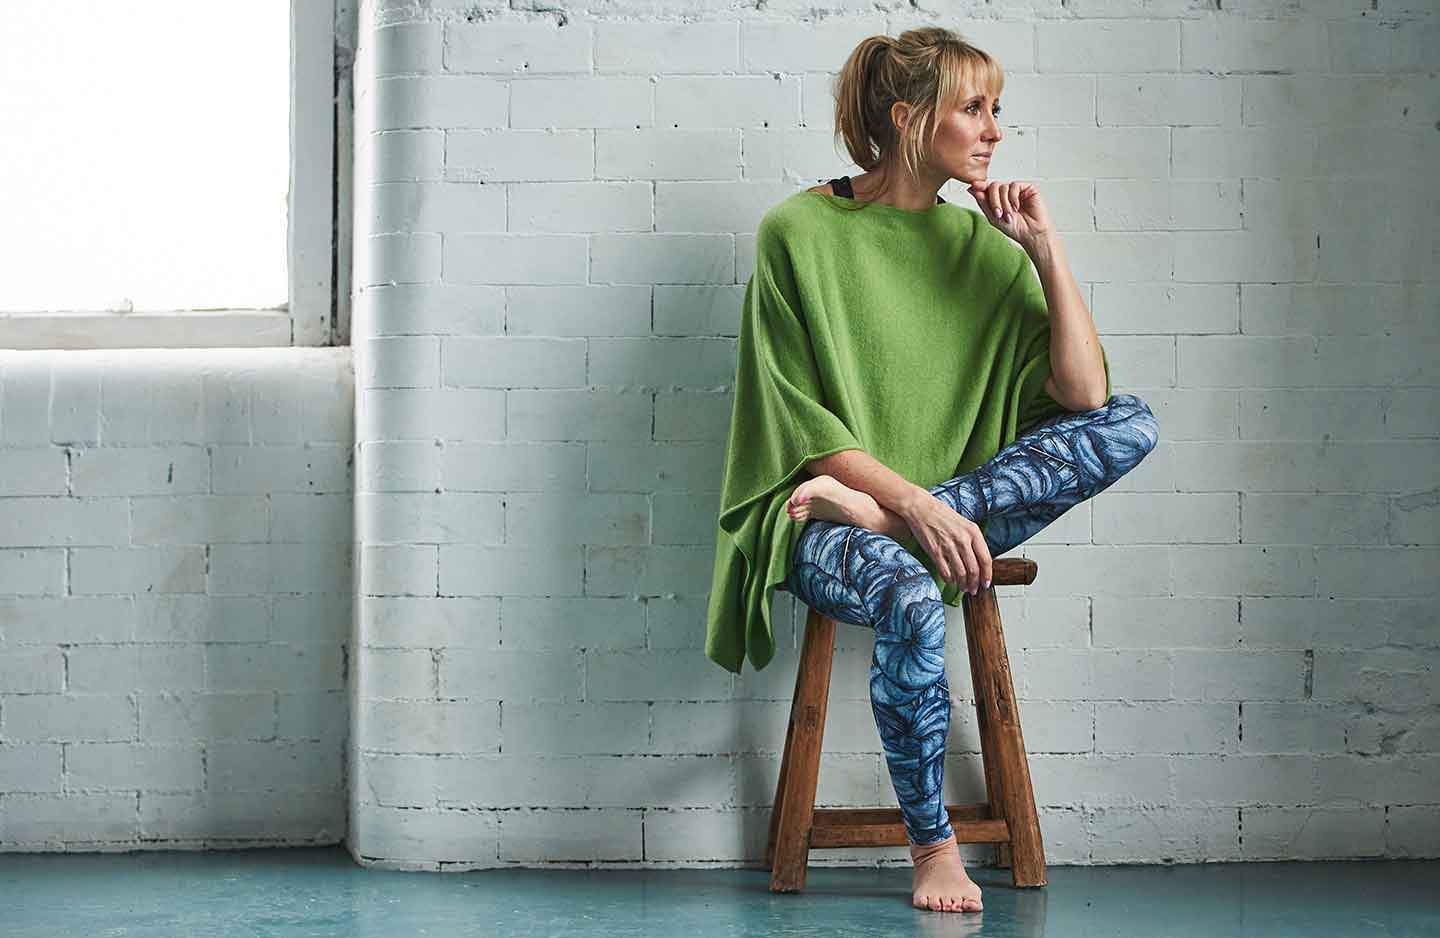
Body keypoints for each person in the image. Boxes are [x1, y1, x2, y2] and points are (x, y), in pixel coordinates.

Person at [704, 27, 1160, 913]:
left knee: (1131, 423)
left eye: (997, 111)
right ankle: (932, 849)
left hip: (896, 516)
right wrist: (906, 499)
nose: (993, 130)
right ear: (910, 119)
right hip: (812, 515)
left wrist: (1043, 246)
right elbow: (799, 425)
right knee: (910, 594)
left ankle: (887, 522)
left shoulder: (983, 247)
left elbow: (1085, 393)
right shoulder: (798, 232)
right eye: (973, 108)